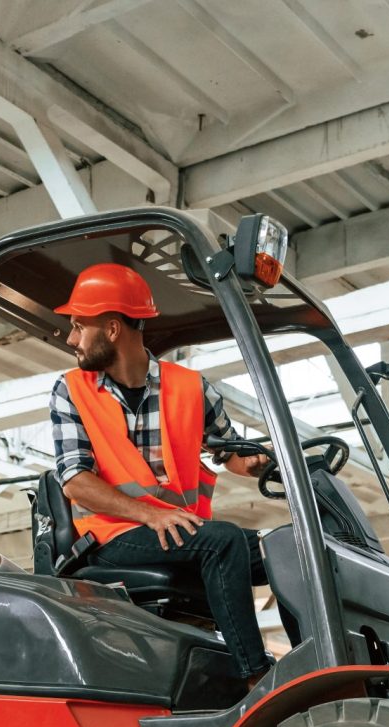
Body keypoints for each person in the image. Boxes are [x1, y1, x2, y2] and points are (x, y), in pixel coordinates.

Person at [49, 263, 272, 686]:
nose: (72, 337)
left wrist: (259, 461)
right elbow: (75, 479)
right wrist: (150, 515)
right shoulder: (71, 390)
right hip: (110, 534)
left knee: (288, 549)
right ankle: (256, 680)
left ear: (112, 329)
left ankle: (317, 670)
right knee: (222, 541)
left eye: (79, 326)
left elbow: (228, 453)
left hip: (176, 531)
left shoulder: (191, 387)